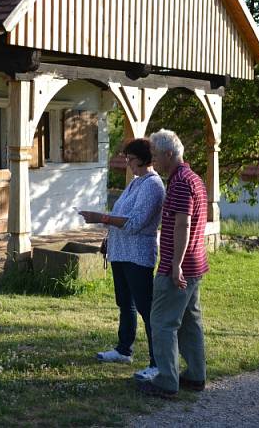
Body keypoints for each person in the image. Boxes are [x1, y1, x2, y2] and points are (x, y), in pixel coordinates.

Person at [78, 138, 165, 381]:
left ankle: (157, 361)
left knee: (147, 310)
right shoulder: (136, 183)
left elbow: (135, 223)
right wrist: (108, 230)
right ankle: (123, 349)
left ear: (145, 159)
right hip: (121, 252)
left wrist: (101, 217)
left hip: (137, 255)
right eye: (126, 159)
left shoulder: (152, 185)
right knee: (125, 304)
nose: (128, 164)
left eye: (132, 159)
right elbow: (121, 214)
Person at [137, 128, 209, 399]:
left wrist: (175, 264)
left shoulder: (179, 182)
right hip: (195, 264)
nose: (153, 160)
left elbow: (183, 223)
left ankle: (167, 380)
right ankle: (195, 375)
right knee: (191, 322)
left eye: (155, 155)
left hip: (177, 268)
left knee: (163, 323)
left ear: (169, 153)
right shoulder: (194, 178)